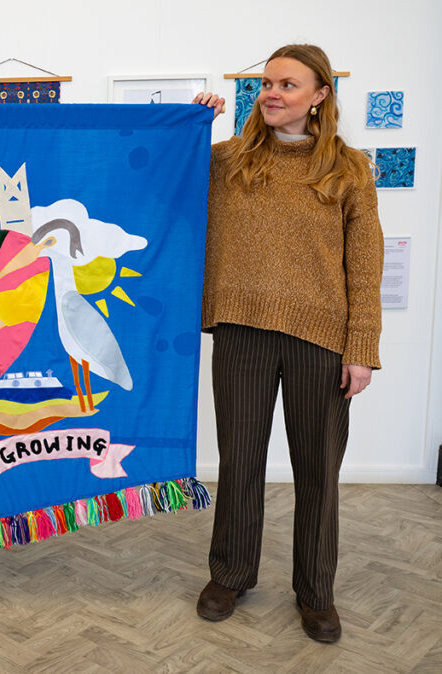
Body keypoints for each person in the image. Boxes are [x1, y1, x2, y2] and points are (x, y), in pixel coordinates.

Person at [191, 44, 383, 643]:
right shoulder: (227, 161)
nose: (272, 93)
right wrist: (193, 126)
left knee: (319, 472)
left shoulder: (350, 169)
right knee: (240, 459)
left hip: (321, 338)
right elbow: (161, 175)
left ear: (320, 95)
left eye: (288, 85)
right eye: (267, 83)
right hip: (242, 329)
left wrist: (362, 346)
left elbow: (365, 261)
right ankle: (231, 573)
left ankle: (316, 593)